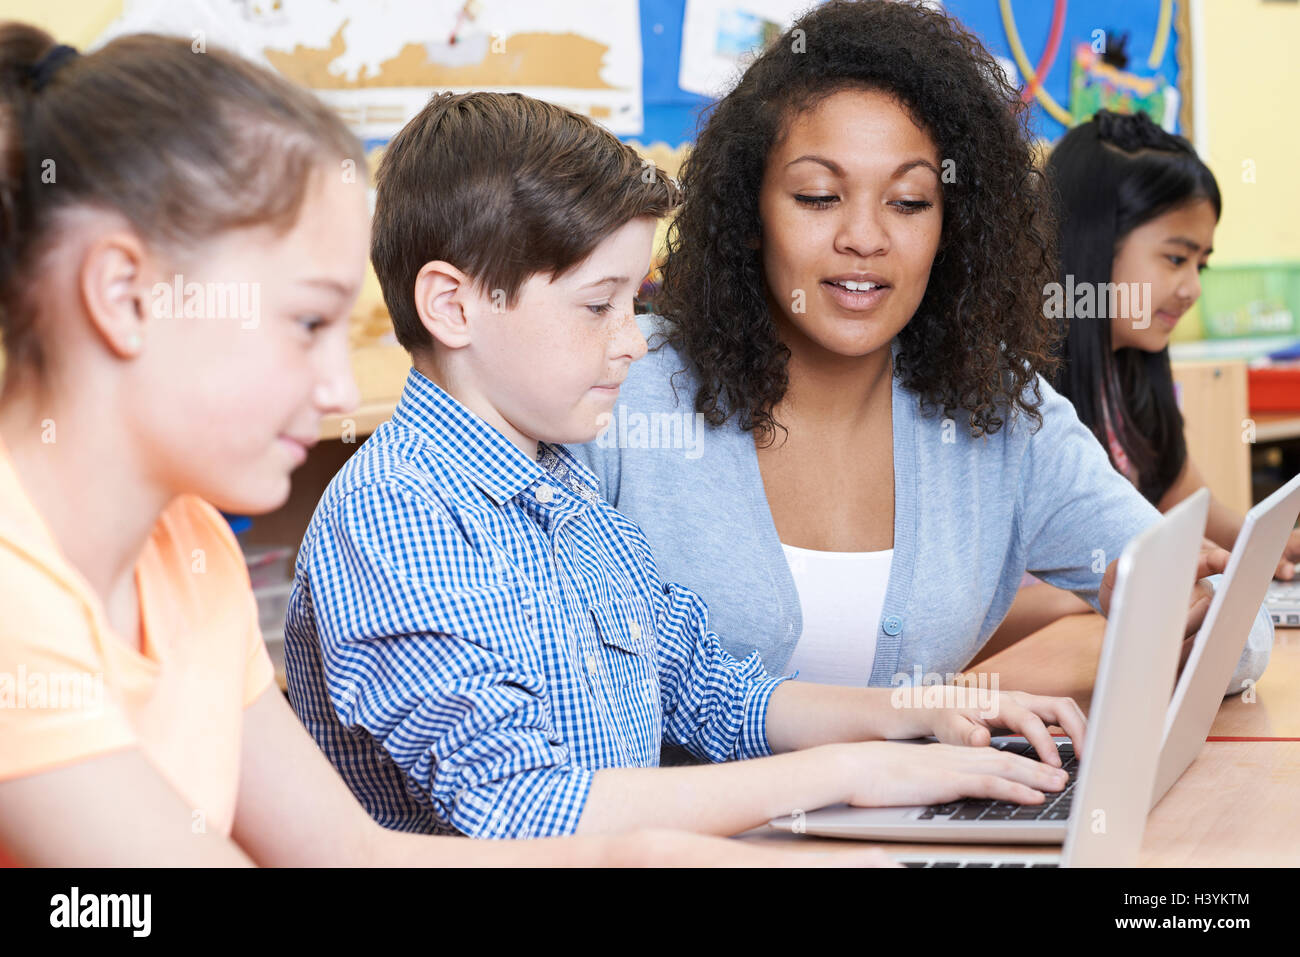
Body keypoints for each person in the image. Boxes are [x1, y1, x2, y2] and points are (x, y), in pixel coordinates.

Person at [0, 24, 887, 867]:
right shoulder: (17, 595)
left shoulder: (190, 550)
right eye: (306, 322)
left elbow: (349, 853)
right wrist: (830, 779)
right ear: (124, 294)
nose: (340, 390)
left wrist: (658, 847)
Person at [284, 88, 1085, 841]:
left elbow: (711, 690)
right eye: (599, 305)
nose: (634, 340)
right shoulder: (398, 513)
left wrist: (917, 712)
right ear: (453, 306)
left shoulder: (566, 490)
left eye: (635, 301)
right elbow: (521, 804)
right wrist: (850, 770)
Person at [568, 0, 1267, 693]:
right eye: (818, 197)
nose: (865, 239)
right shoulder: (619, 381)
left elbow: (1239, 628)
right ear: (750, 214)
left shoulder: (999, 411)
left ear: (951, 225)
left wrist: (1184, 618)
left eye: (908, 202)